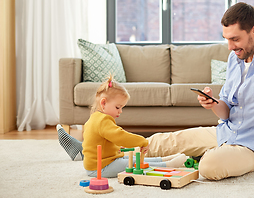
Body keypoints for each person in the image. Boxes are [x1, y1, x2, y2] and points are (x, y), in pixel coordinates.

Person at [58, 2, 254, 181]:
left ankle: (207, 157)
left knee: (209, 167)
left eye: (235, 39)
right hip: (225, 133)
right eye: (226, 39)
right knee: (164, 141)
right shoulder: (235, 59)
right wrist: (213, 104)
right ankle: (92, 154)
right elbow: (227, 109)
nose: (230, 46)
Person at [57, 75, 187, 178]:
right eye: (117, 107)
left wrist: (118, 147)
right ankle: (166, 165)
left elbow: (104, 141)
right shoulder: (103, 120)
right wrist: (142, 140)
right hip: (100, 168)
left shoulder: (95, 118)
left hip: (102, 163)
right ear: (103, 103)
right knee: (132, 163)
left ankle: (162, 159)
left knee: (128, 157)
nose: (120, 111)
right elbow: (120, 135)